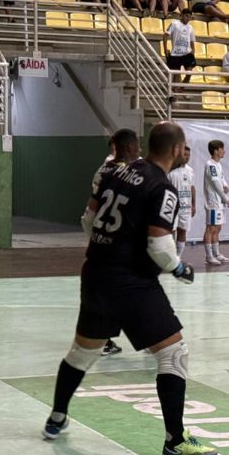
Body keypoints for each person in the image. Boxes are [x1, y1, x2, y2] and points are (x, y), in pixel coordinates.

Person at [43, 122, 216, 455]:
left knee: (82, 351)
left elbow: (88, 220)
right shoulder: (161, 187)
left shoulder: (116, 173)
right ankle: (175, 441)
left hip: (96, 273)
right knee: (173, 353)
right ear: (176, 149)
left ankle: (57, 416)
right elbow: (160, 245)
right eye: (184, 148)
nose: (185, 153)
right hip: (131, 282)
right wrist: (180, 269)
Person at [88, 129, 141, 358]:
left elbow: (89, 211)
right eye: (137, 146)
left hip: (101, 237)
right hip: (122, 243)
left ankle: (105, 339)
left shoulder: (103, 170)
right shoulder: (129, 173)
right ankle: (149, 337)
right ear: (128, 147)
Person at [203, 139, 229, 266]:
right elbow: (215, 184)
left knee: (218, 227)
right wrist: (226, 199)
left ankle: (216, 253)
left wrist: (226, 185)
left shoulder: (218, 165)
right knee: (211, 228)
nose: (224, 151)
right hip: (213, 201)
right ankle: (209, 256)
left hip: (219, 202)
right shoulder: (210, 165)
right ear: (215, 151)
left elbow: (221, 180)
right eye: (221, 149)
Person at [168, 145, 195, 258]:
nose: (187, 157)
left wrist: (193, 204)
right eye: (185, 154)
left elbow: (192, 188)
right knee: (171, 232)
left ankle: (178, 257)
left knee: (182, 231)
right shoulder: (170, 171)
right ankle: (170, 256)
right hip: (173, 207)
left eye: (188, 155)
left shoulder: (190, 171)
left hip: (186, 206)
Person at [162, 9, 196, 90]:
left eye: (190, 17)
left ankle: (182, 87)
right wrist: (165, 49)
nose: (188, 18)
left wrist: (193, 50)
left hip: (187, 54)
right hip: (175, 53)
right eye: (186, 16)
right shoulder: (174, 24)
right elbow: (165, 35)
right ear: (181, 15)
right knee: (176, 75)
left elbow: (192, 40)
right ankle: (175, 91)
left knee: (189, 72)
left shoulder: (190, 27)